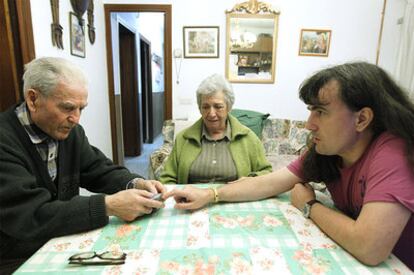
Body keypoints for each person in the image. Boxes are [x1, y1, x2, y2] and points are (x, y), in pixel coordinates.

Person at [163, 62, 414, 270]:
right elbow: (269, 182)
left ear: (362, 119)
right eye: (310, 111)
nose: (308, 124)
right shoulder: (327, 151)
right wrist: (210, 194)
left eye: (320, 112)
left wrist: (310, 205)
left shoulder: (394, 151)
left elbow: (369, 247)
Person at [0, 57, 166, 273]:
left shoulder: (70, 132)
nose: (76, 118)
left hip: (59, 239)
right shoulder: (5, 141)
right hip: (16, 255)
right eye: (68, 108)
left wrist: (134, 183)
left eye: (81, 109)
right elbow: (32, 215)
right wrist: (107, 205)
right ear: (33, 99)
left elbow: (98, 169)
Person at [159, 74, 272, 184]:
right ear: (200, 108)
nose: (211, 113)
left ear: (229, 107)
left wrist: (249, 181)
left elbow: (266, 172)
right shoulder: (183, 139)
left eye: (218, 107)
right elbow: (167, 178)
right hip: (191, 200)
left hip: (234, 200)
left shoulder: (248, 138)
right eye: (206, 107)